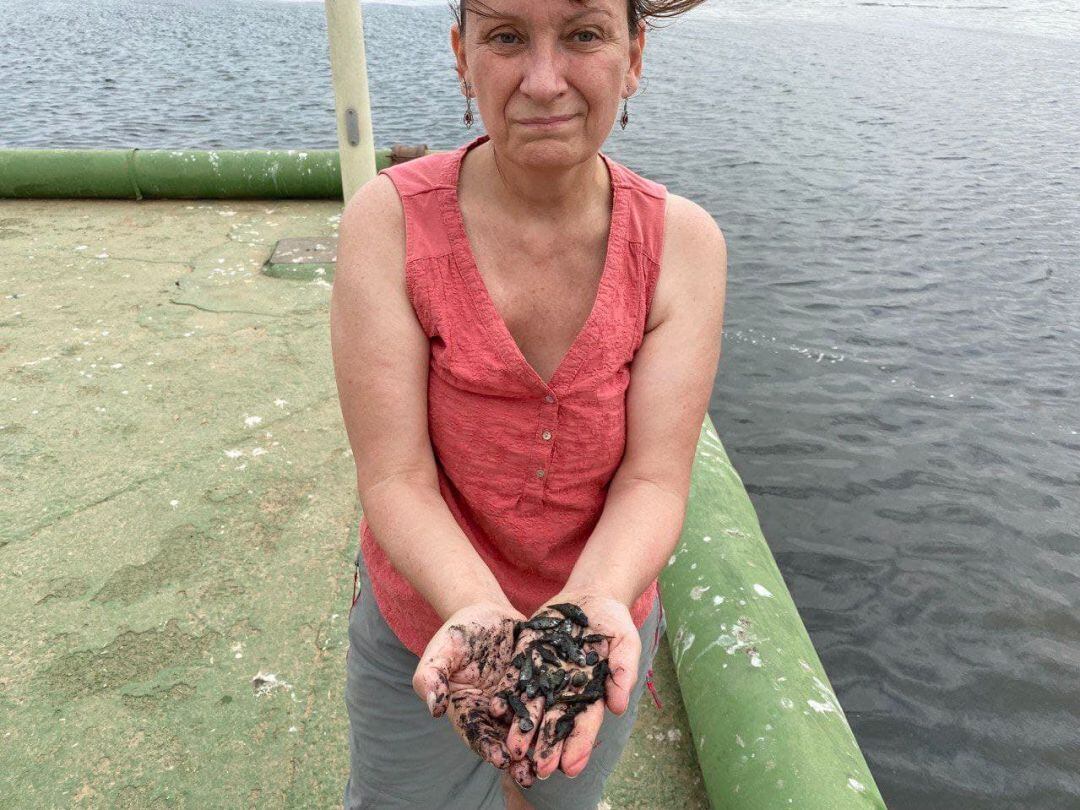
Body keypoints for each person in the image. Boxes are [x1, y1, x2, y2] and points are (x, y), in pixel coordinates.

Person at [329, 0, 726, 807]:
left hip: (602, 619)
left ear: (633, 54)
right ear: (462, 56)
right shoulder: (391, 222)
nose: (544, 82)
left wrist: (588, 604)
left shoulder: (683, 247)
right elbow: (396, 475)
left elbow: (654, 480)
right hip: (423, 616)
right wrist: (475, 606)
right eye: (506, 36)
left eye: (583, 34)